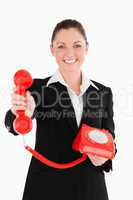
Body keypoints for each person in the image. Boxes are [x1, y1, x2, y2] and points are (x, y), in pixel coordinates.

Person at [5, 19, 116, 200]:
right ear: (52, 50)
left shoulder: (103, 92)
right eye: (61, 46)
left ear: (86, 48)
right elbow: (11, 122)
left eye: (77, 45)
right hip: (46, 188)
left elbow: (110, 138)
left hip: (90, 189)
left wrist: (104, 158)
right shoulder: (37, 89)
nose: (69, 53)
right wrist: (20, 113)